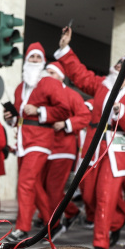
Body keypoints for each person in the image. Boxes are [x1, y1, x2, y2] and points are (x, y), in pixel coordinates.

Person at [54, 31, 125, 249]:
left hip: (117, 149)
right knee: (88, 193)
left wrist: (122, 110)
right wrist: (66, 49)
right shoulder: (101, 85)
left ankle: (100, 244)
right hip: (94, 145)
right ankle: (120, 216)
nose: (119, 66)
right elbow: (79, 74)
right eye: (119, 63)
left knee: (105, 195)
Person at [3, 42, 71, 241]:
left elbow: (64, 109)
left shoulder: (50, 82)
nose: (34, 61)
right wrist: (10, 117)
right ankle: (55, 223)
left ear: (43, 61)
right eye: (31, 57)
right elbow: (17, 117)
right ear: (26, 60)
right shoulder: (19, 88)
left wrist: (40, 111)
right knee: (35, 186)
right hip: (23, 140)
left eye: (37, 58)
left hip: (41, 139)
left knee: (25, 182)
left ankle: (22, 228)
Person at [42, 61, 90, 236]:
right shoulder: (42, 95)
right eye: (46, 72)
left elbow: (85, 116)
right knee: (42, 187)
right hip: (44, 147)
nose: (48, 75)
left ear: (61, 76)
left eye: (52, 73)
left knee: (53, 188)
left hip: (63, 148)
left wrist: (65, 123)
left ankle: (55, 224)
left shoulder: (70, 94)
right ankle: (70, 212)